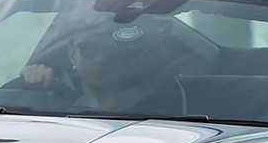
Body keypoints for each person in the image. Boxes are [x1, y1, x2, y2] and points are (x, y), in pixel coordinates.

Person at [19, 21, 184, 116]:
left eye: (111, 50)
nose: (102, 58)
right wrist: (28, 86)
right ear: (72, 53)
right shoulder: (50, 95)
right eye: (90, 48)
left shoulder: (175, 101)